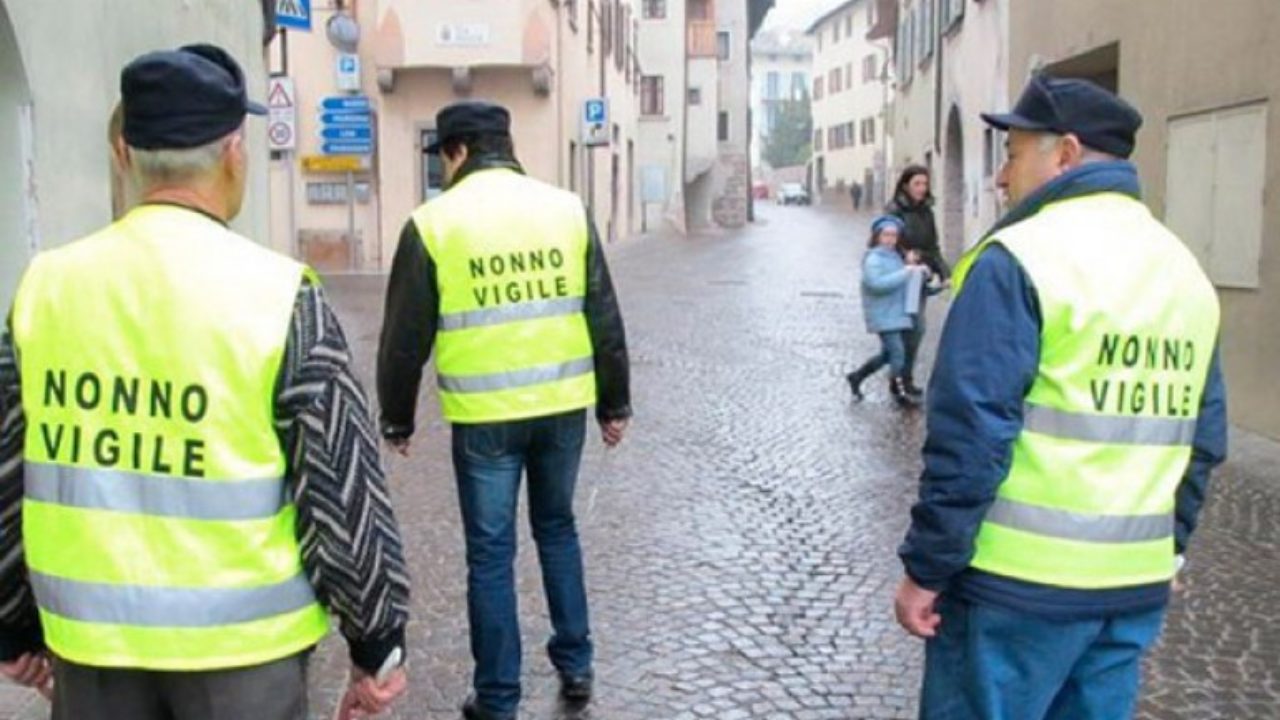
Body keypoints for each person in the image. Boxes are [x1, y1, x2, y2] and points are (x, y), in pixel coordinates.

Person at [0, 45, 411, 719]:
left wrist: (12, 624)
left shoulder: (44, 290)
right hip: (245, 663)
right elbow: (341, 494)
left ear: (124, 155)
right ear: (233, 154)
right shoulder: (280, 297)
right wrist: (377, 645)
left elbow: (6, 470)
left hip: (92, 656)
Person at [893, 74, 1227, 720]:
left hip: (1013, 596)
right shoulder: (1184, 271)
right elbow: (1203, 440)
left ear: (1066, 154)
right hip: (1128, 593)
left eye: (1014, 154)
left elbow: (972, 436)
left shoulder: (1020, 258)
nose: (1000, 177)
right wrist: (1167, 549)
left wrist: (927, 569)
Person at [377, 100, 631, 720]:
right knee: (558, 529)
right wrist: (614, 403)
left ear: (458, 151)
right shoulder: (566, 209)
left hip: (485, 416)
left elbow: (403, 335)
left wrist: (398, 416)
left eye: (442, 158)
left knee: (490, 554)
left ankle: (497, 697)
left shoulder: (434, 222)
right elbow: (604, 313)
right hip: (562, 408)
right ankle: (576, 665)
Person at [846, 215, 930, 406]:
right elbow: (876, 284)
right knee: (898, 353)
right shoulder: (873, 259)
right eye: (886, 235)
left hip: (898, 313)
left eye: (894, 235)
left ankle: (857, 377)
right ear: (877, 236)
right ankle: (900, 392)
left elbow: (905, 284)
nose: (890, 239)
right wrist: (906, 272)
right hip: (883, 314)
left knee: (887, 355)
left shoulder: (896, 257)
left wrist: (921, 275)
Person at [886, 166, 947, 397]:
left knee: (916, 330)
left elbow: (933, 247)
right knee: (905, 330)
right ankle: (898, 378)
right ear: (905, 185)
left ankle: (902, 376)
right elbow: (885, 241)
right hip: (898, 278)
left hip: (919, 278)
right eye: (917, 184)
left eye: (925, 183)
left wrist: (944, 271)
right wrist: (905, 255)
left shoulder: (926, 212)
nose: (922, 189)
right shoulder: (894, 210)